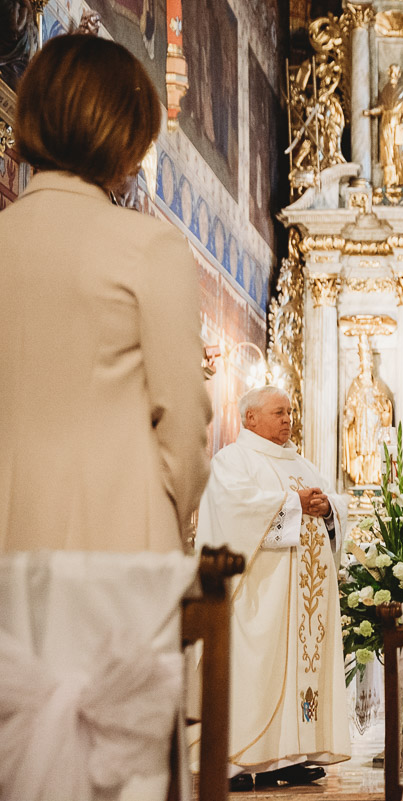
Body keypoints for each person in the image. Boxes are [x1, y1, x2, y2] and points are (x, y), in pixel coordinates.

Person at [0, 34, 211, 553]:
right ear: (122, 135)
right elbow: (184, 425)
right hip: (114, 552)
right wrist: (158, 520)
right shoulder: (150, 246)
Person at [195, 387, 349, 791]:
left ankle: (290, 756)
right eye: (279, 412)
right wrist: (294, 503)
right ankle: (237, 761)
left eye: (291, 411)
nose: (288, 419)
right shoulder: (232, 460)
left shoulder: (302, 463)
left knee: (300, 670)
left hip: (302, 603)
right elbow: (233, 510)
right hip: (258, 597)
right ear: (250, 419)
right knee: (254, 671)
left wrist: (328, 507)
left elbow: (329, 501)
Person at [364, 64, 403, 188]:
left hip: (399, 125)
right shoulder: (386, 90)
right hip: (386, 124)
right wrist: (370, 112)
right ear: (389, 73)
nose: (393, 75)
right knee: (387, 152)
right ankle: (390, 181)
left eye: (396, 72)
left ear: (399, 74)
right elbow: (382, 107)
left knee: (401, 151)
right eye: (391, 72)